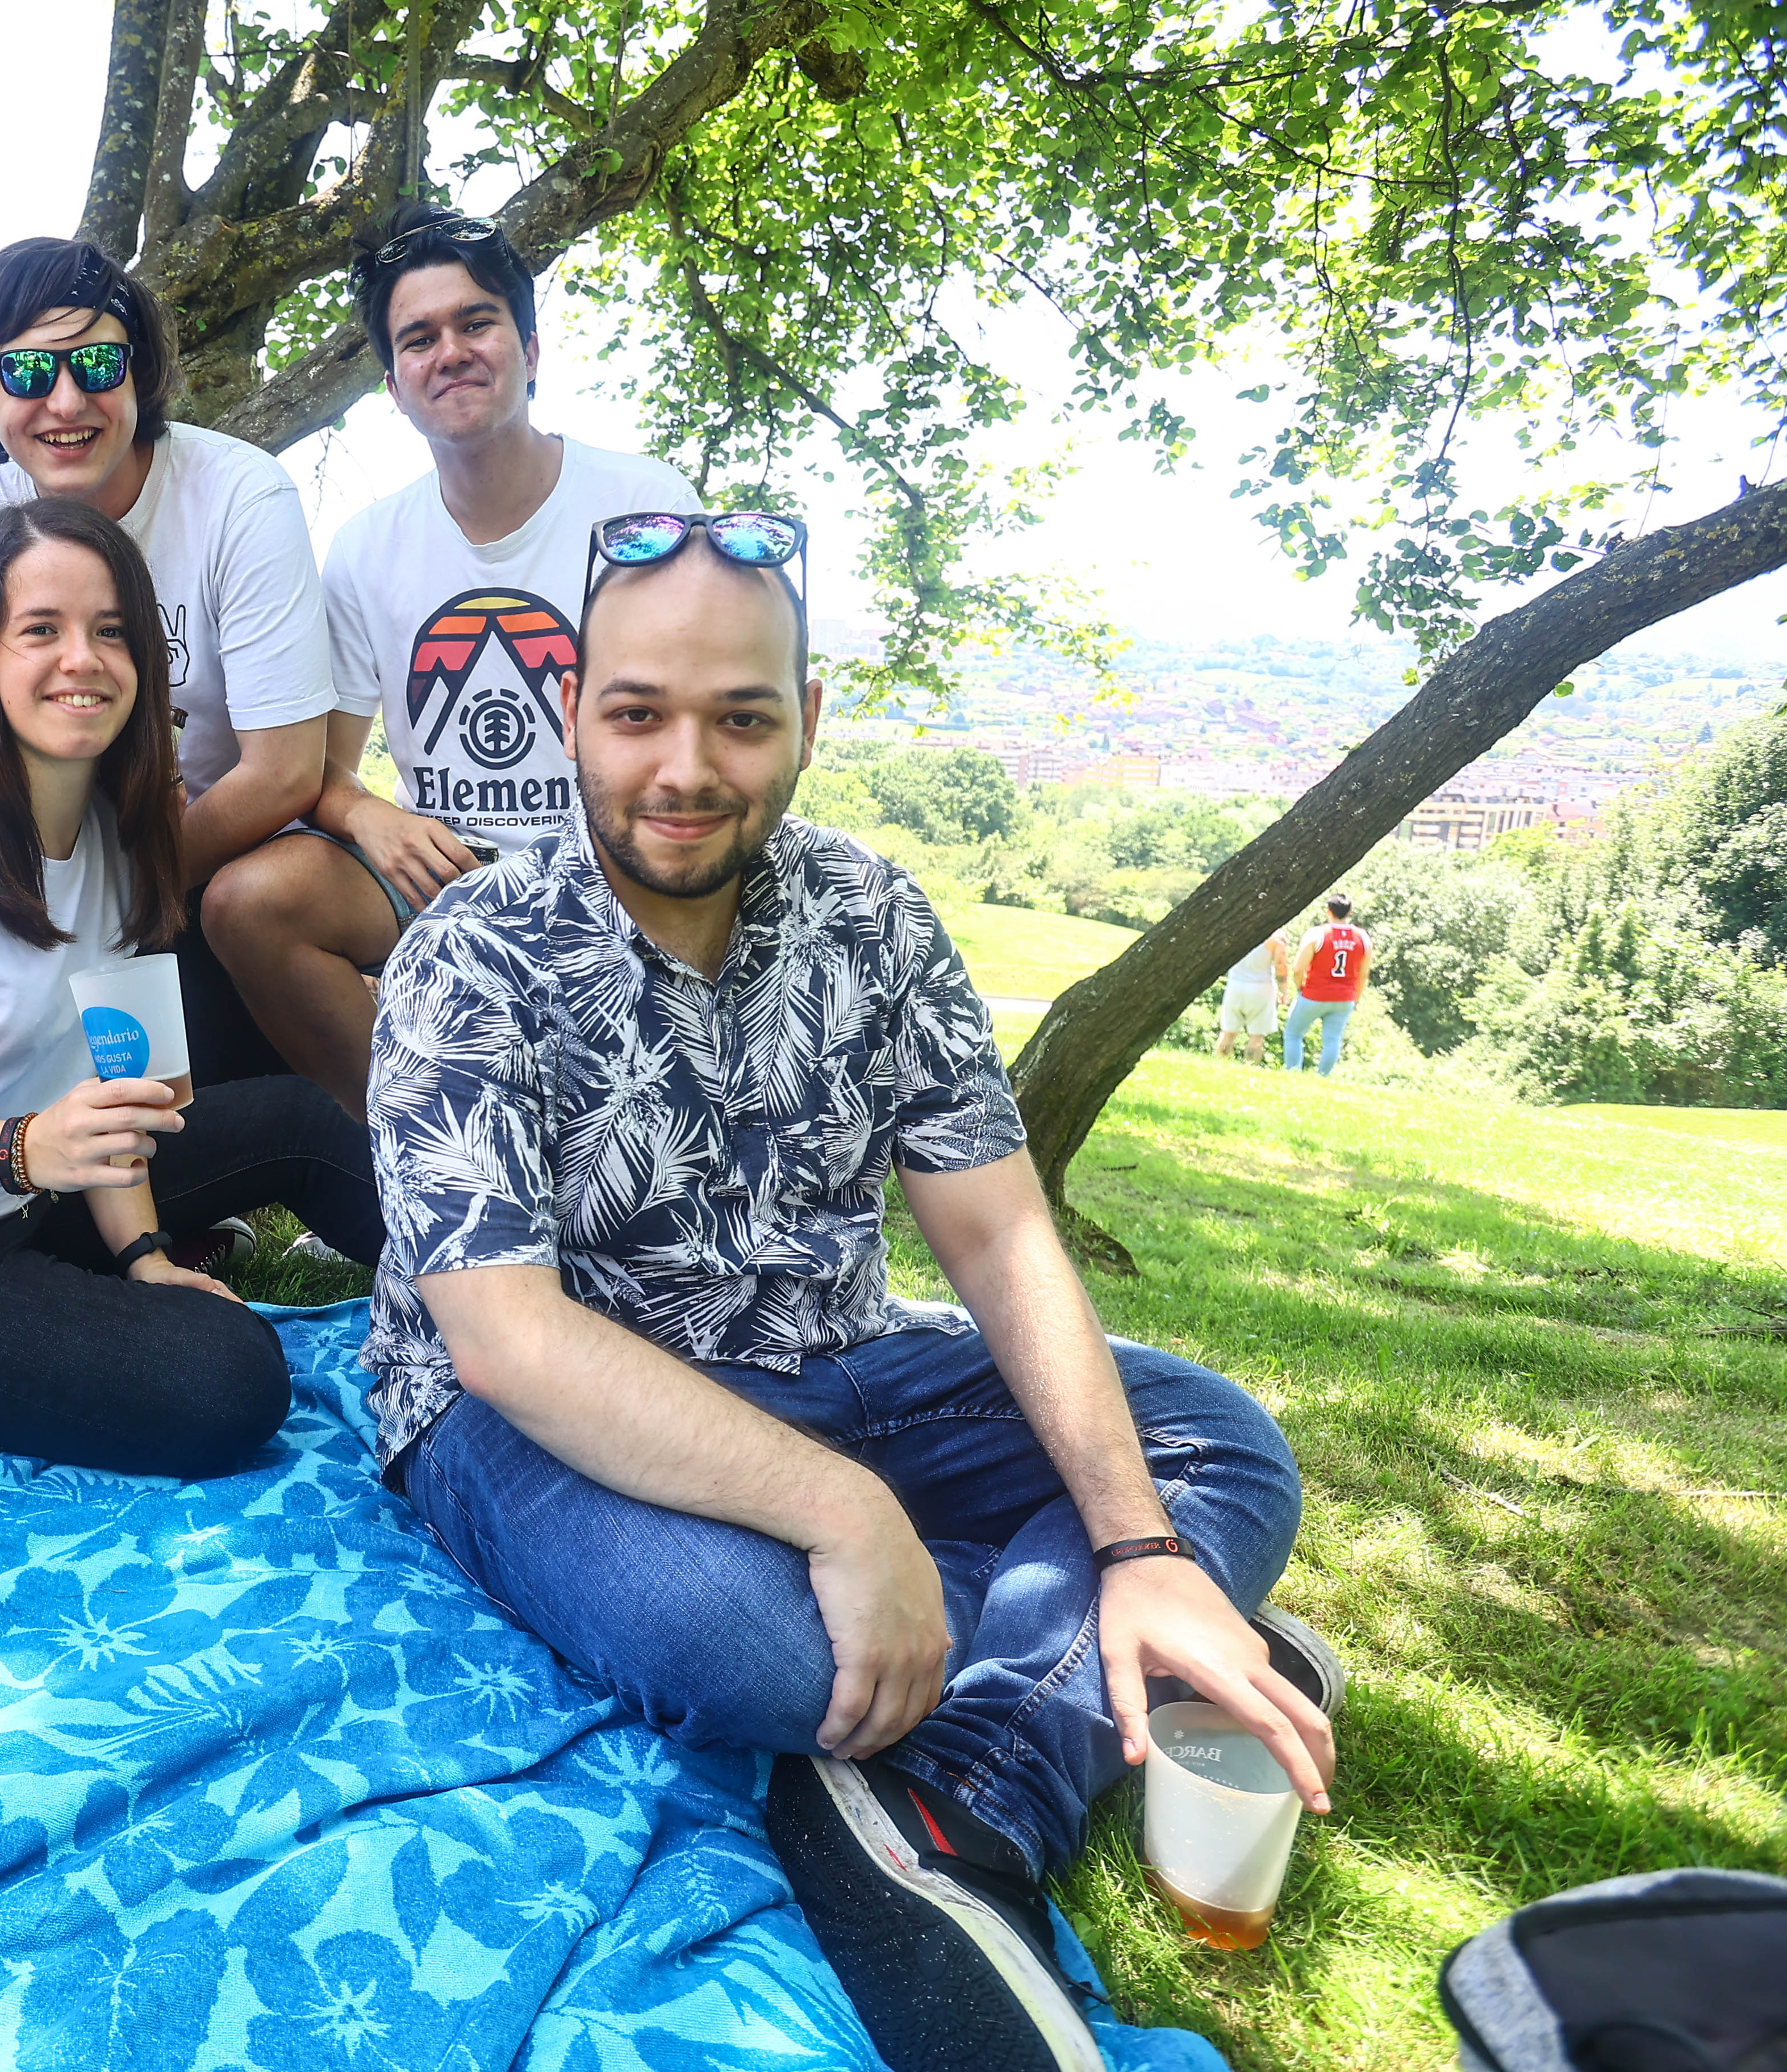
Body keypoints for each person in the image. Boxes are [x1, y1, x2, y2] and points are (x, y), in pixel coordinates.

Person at [362, 513, 1337, 2071]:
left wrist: (1143, 1544)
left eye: (741, 718)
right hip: (532, 1417)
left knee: (1218, 1446)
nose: (686, 766)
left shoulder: (873, 916)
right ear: (573, 720)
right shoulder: (468, 959)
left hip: (841, 1361)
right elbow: (507, 1340)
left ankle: (978, 1770)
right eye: (638, 715)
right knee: (762, 1655)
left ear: (807, 721)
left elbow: (1002, 1237)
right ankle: (1096, 1658)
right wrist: (847, 1517)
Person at [0, 497, 383, 1478]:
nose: (81, 659)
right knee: (228, 1382)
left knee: (305, 1124)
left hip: (34, 1191)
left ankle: (509, 1287)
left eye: (109, 631)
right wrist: (22, 1148)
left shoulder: (118, 831)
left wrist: (144, 1252)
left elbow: (123, 1076)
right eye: (39, 631)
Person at [204, 205, 702, 1122]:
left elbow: (690, 726)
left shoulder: (645, 505)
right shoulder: (365, 546)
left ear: (531, 348)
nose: (451, 351)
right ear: (393, 385)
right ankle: (409, 1150)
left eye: (476, 322)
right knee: (250, 899)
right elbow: (321, 763)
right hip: (438, 872)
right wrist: (368, 814)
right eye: (419, 338)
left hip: (610, 865)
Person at [0, 237, 333, 1085]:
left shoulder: (237, 496)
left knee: (157, 1109)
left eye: (99, 364)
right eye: (29, 374)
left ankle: (180, 1156)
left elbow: (287, 770)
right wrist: (46, 722)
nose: (66, 401)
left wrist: (121, 877)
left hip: (193, 848)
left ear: (139, 377)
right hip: (33, 842)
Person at [1285, 892, 1368, 1075]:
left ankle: (1292, 1074)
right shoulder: (1363, 937)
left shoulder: (1317, 934)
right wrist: (1356, 999)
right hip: (1345, 997)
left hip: (1315, 994)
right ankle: (1323, 1077)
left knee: (1293, 1034)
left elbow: (1298, 968)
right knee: (1333, 1040)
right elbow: (1363, 974)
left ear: (1328, 911)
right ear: (1350, 912)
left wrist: (1300, 987)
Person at [1214, 926, 1290, 1066]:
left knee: (1228, 1032)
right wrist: (1284, 990)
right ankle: (1250, 1067)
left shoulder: (1236, 930)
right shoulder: (1276, 937)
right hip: (1261, 988)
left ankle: (1220, 1064)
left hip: (1235, 985)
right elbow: (1281, 965)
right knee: (1256, 1036)